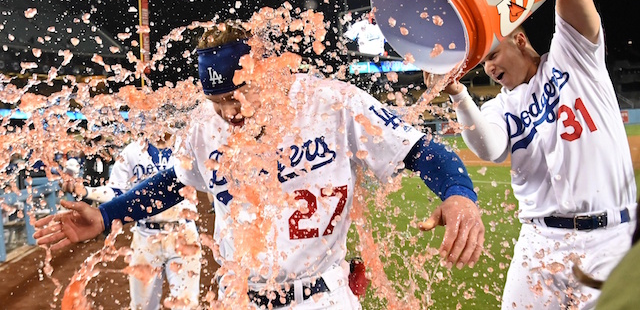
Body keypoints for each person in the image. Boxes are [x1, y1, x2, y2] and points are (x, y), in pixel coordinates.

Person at [35, 21, 485, 309]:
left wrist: (459, 194)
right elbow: (176, 182)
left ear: (265, 73)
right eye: (216, 102)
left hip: (320, 298)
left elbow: (420, 149)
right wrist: (108, 213)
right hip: (241, 296)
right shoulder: (202, 126)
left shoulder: (332, 102)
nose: (229, 113)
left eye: (235, 96)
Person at [431, 0, 637, 310]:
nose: (488, 68)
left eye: (492, 55)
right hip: (539, 245)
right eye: (482, 64)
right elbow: (489, 149)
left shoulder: (573, 55)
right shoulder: (500, 107)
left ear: (520, 41)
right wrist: (456, 92)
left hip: (610, 239)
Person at [62, 128, 201, 310]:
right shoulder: (132, 151)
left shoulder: (189, 144)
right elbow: (116, 192)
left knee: (187, 306)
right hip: (145, 235)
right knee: (142, 306)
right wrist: (86, 191)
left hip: (184, 233)